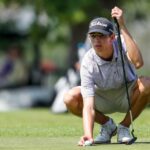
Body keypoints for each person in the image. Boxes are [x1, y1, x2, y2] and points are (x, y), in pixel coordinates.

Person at [63, 6, 150, 146]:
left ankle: (124, 127)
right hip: (101, 97)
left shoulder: (122, 42)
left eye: (101, 36)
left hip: (126, 94)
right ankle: (107, 126)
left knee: (147, 84)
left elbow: (138, 63)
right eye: (93, 36)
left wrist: (122, 25)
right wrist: (88, 135)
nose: (97, 41)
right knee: (69, 98)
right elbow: (88, 106)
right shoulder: (87, 61)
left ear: (112, 37)